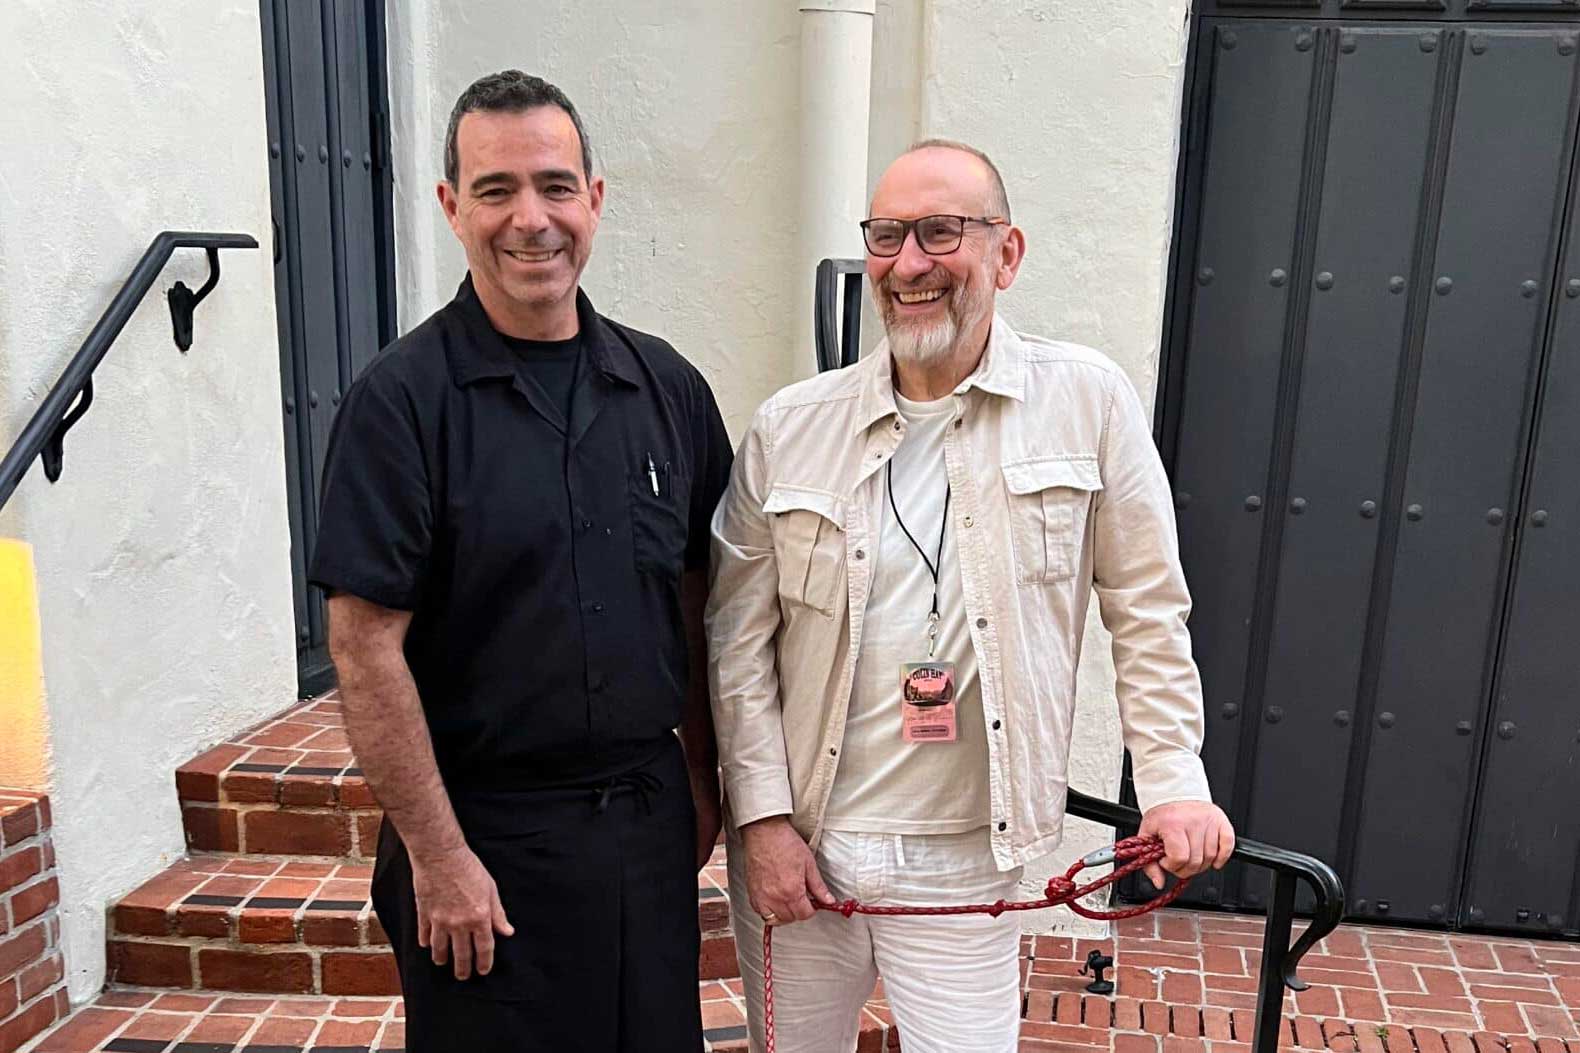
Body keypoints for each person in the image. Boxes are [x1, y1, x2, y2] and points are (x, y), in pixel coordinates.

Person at [706, 139, 1237, 1053]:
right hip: (806, 846)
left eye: (940, 232)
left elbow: (1148, 610)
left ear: (1007, 252)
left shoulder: (1088, 402)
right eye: (886, 236)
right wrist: (759, 822)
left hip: (967, 856)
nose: (908, 263)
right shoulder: (790, 428)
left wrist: (1173, 785)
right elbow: (736, 643)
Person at [309, 70, 732, 1052]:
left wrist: (703, 777)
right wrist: (438, 855)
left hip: (642, 825)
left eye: (553, 185)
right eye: (495, 190)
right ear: (452, 208)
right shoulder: (399, 405)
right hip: (482, 841)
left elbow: (702, 604)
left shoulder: (665, 388)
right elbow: (364, 648)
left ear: (594, 197)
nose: (529, 219)